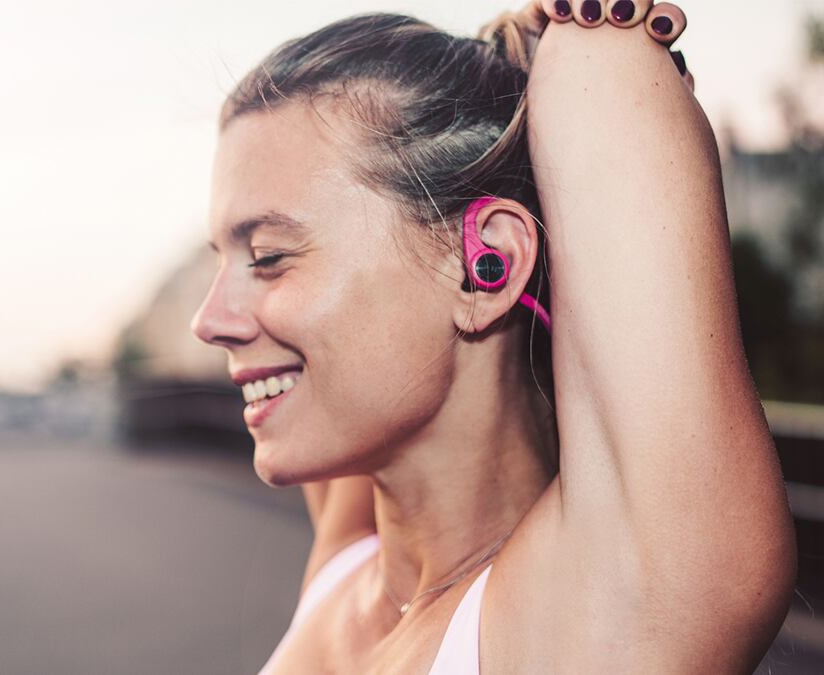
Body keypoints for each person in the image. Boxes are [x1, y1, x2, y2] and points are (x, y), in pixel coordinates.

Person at [190, 0, 798, 672]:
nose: (209, 320)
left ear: (486, 268)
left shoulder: (609, 618)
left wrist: (583, 35)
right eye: (222, 256)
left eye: (269, 255)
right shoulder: (350, 569)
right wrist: (510, 55)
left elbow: (601, 78)